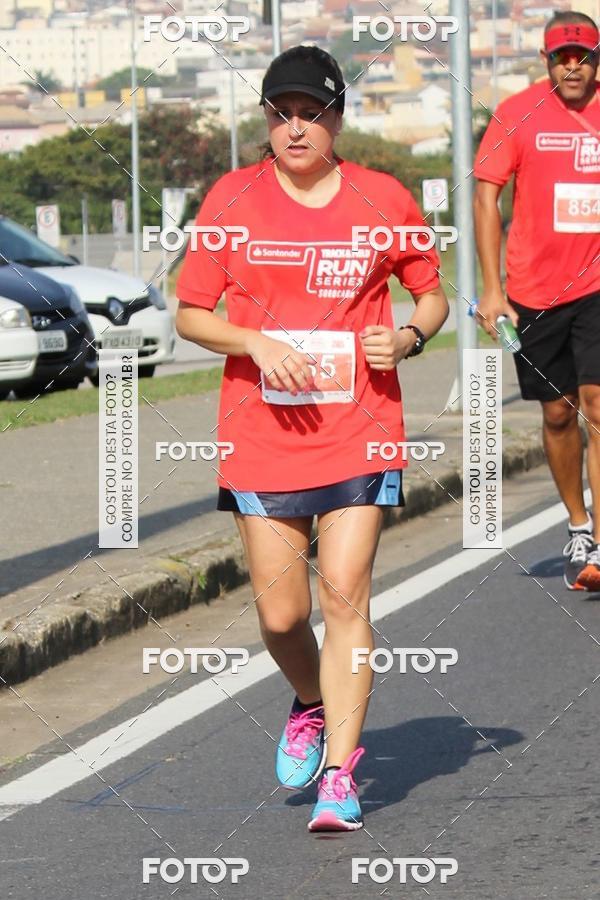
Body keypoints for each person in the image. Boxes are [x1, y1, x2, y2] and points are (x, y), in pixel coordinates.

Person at [175, 44, 448, 831]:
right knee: (282, 616)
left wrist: (405, 339)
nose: (295, 128)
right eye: (281, 114)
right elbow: (191, 313)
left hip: (360, 430)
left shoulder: (383, 197)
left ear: (336, 117)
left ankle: (340, 776)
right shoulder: (232, 199)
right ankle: (309, 700)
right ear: (266, 121)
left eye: (311, 113)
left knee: (345, 592)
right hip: (260, 434)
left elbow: (429, 296)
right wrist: (255, 343)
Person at [474, 10, 600, 592]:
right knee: (557, 411)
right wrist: (494, 290)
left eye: (584, 57)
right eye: (562, 57)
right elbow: (485, 199)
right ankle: (578, 523)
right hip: (533, 292)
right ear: (547, 61)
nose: (573, 67)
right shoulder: (517, 112)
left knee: (597, 405)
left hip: (598, 287)